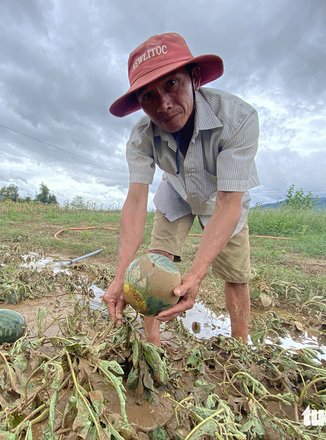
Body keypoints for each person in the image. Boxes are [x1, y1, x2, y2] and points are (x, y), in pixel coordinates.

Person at [102, 32, 260, 346]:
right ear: (139, 103)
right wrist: (120, 277)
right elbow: (135, 202)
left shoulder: (238, 120)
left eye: (172, 84)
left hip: (223, 195)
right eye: (148, 96)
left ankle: (241, 345)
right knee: (154, 262)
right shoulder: (141, 137)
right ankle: (153, 342)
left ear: (195, 78)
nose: (164, 105)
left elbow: (229, 203)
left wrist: (197, 273)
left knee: (235, 275)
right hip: (175, 188)